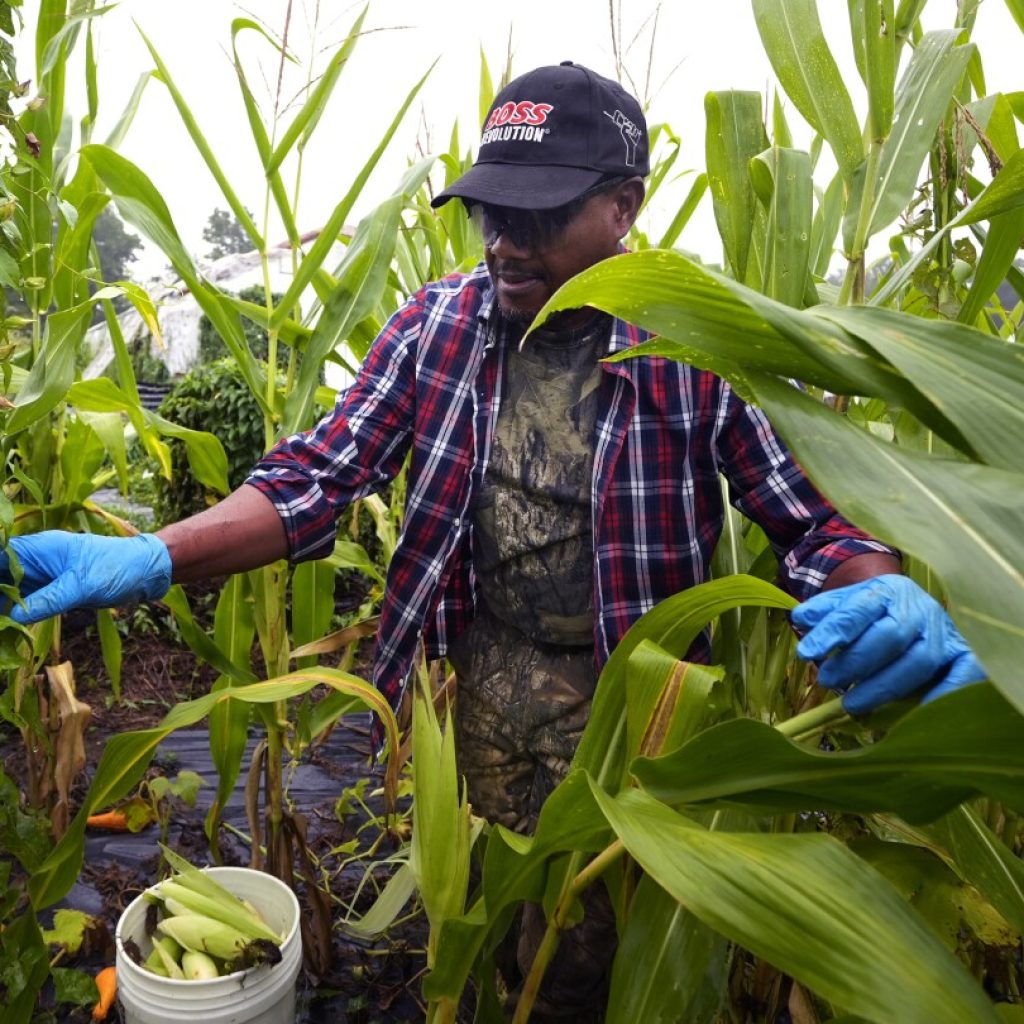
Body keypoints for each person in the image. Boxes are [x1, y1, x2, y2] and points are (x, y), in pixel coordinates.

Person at [1, 62, 983, 1020]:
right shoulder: (440, 323)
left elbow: (815, 511)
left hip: (637, 702)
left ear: (623, 207)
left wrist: (873, 584)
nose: (505, 241)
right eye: (488, 210)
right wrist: (157, 554)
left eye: (539, 213)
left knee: (607, 935)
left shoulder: (696, 335)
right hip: (487, 683)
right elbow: (320, 474)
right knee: (491, 899)